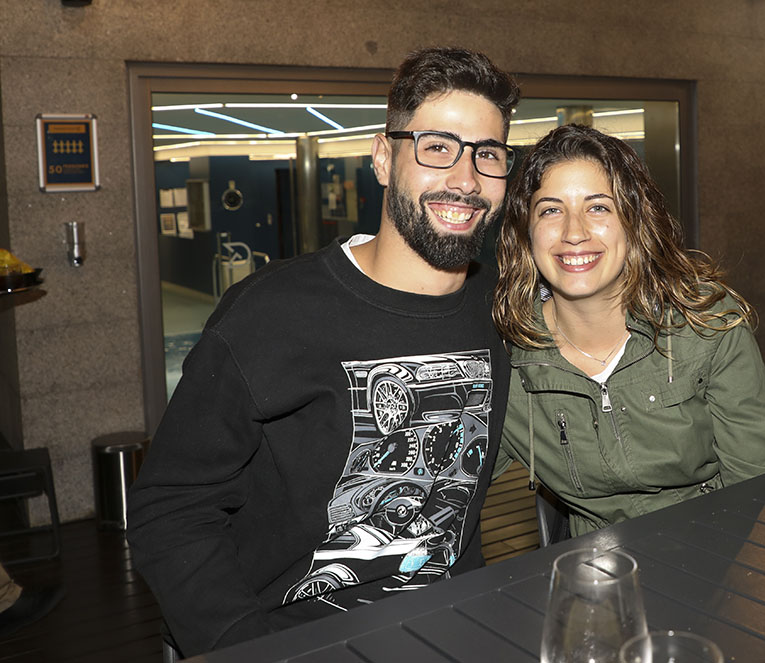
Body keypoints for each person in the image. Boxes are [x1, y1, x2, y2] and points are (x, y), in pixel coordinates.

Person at [127, 47, 519, 656]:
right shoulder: (271, 313)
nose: (465, 179)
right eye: (437, 147)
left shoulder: (501, 306)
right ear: (384, 158)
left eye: (487, 154)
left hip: (454, 625)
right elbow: (170, 506)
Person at [492, 124, 765, 537]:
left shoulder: (705, 324)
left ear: (634, 222)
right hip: (595, 566)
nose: (574, 232)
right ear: (526, 232)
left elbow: (755, 485)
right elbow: (450, 485)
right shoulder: (505, 358)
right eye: (551, 210)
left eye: (598, 207)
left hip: (714, 547)